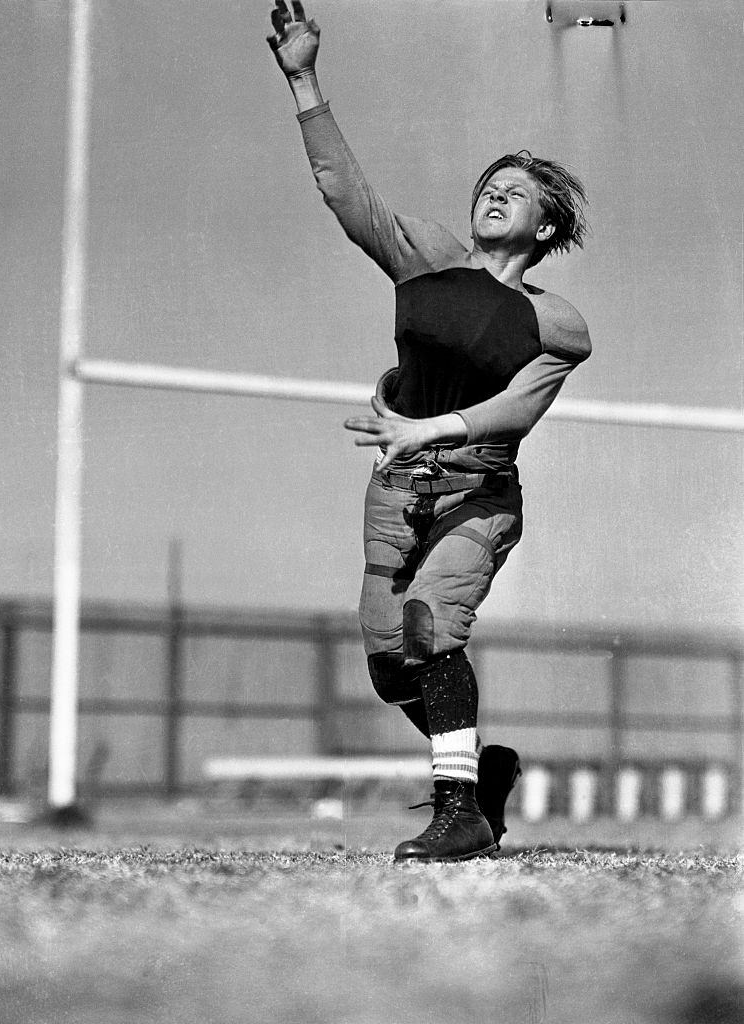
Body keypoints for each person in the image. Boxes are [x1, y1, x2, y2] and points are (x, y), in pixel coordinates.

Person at [267, 0, 591, 862]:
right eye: (491, 182)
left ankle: (459, 816)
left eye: (518, 192)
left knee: (428, 624)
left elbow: (517, 411)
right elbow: (350, 196)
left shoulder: (556, 323)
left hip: (476, 492)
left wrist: (433, 427)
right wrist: (304, 79)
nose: (496, 193)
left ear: (546, 226)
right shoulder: (429, 259)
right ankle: (479, 778)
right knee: (388, 662)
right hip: (397, 489)